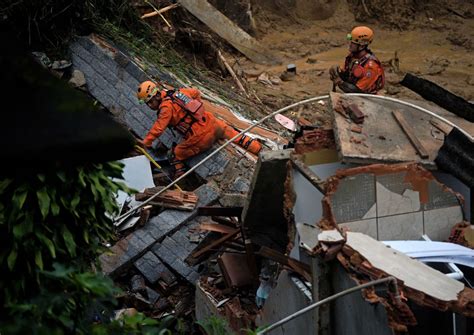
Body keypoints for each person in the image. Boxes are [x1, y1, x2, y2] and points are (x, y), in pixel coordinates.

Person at [136, 81, 261, 178]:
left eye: (149, 102)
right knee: (237, 136)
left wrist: (146, 142)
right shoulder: (177, 93)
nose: (150, 106)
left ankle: (180, 177)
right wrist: (197, 111)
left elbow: (159, 128)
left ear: (157, 96)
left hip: (201, 138)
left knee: (174, 154)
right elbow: (195, 92)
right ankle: (259, 150)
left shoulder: (165, 108)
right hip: (213, 123)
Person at [329, 26, 385, 94]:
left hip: (369, 99)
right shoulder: (352, 57)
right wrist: (337, 73)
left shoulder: (371, 65)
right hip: (354, 96)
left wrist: (340, 82)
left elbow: (358, 90)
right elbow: (346, 75)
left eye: (353, 43)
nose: (350, 44)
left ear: (361, 46)